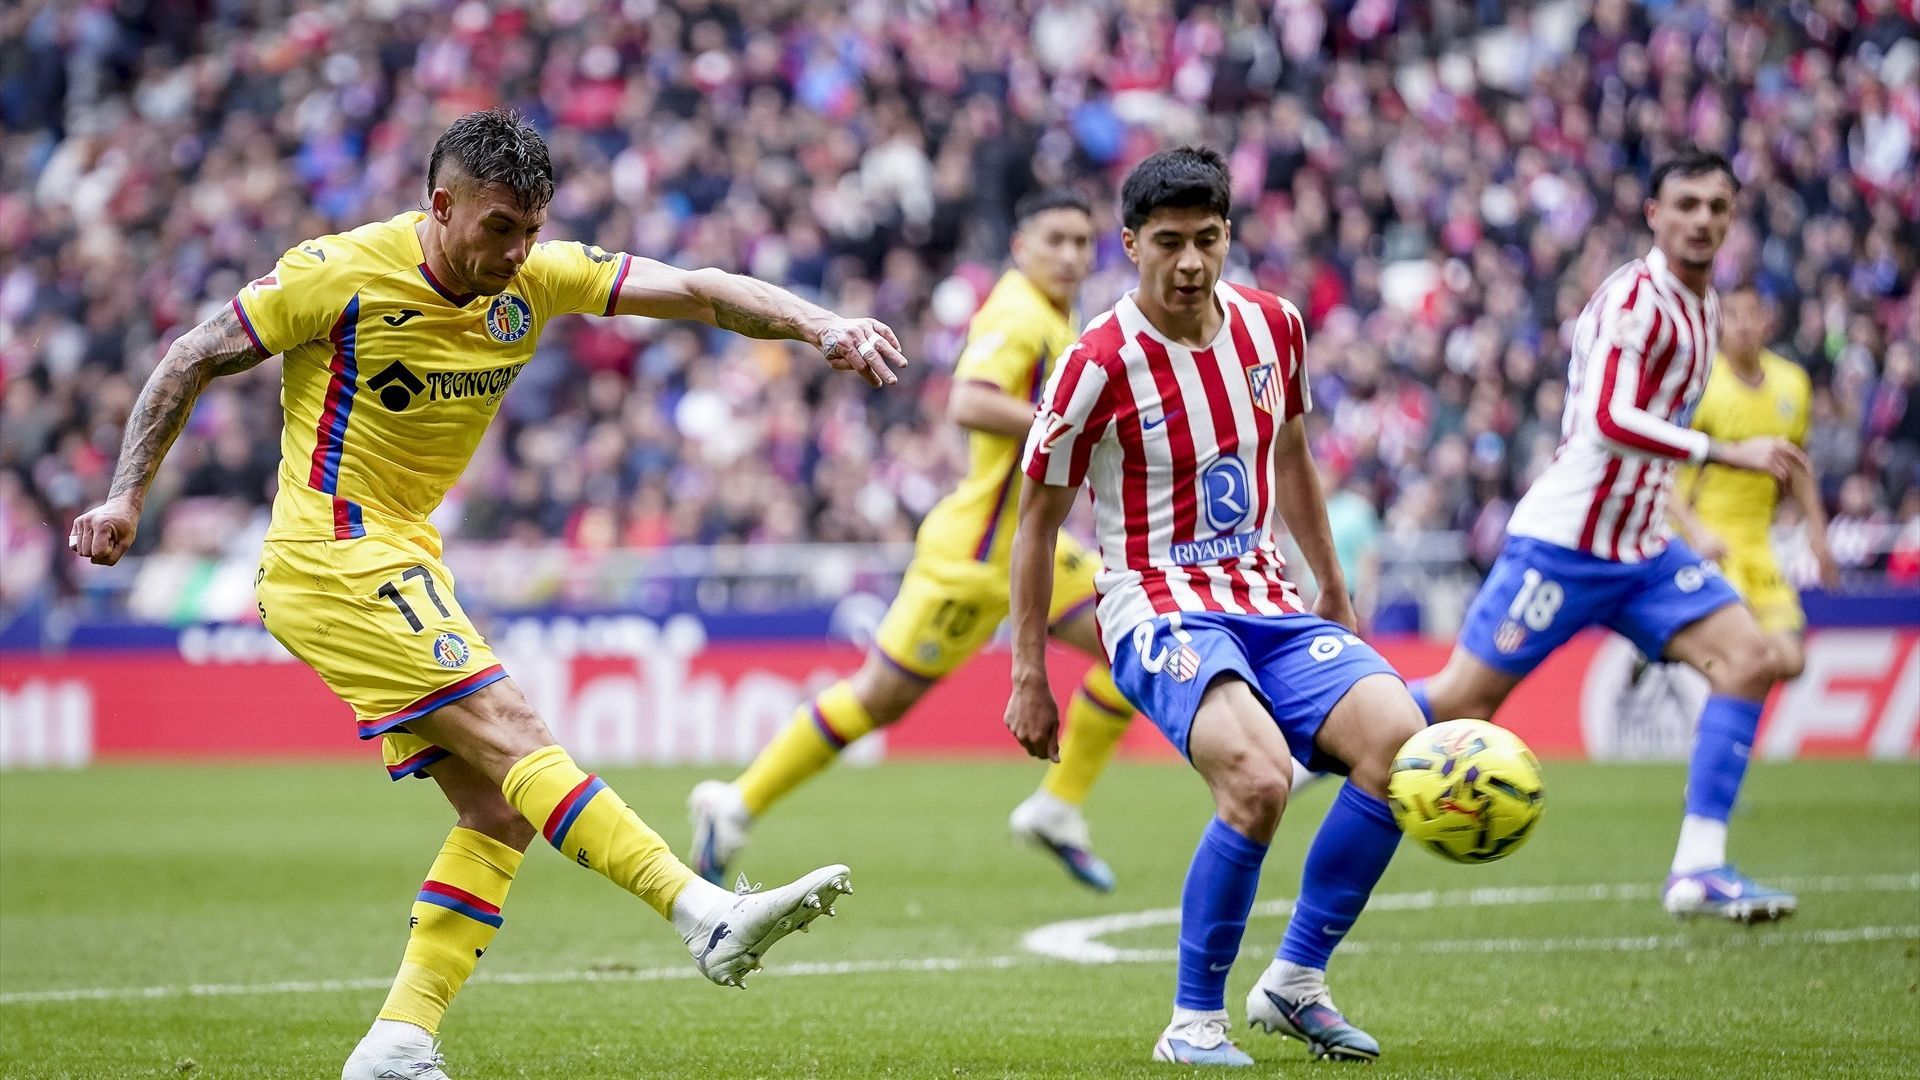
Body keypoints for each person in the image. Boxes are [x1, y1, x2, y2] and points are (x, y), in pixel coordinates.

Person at [67, 109, 907, 1080]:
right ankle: (703, 913)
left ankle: (399, 1039)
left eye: (532, 231)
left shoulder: (534, 279)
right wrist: (126, 497)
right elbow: (192, 354)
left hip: (400, 555)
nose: (517, 252)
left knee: (499, 812)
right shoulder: (338, 271)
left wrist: (820, 323)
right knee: (516, 733)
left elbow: (698, 290)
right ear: (441, 205)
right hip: (331, 551)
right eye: (499, 227)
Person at [1003, 147, 1424, 1065]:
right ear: (1131, 245)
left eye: (1207, 238)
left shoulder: (1275, 326)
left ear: (1229, 235)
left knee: (1402, 742)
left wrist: (1333, 588)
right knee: (1258, 780)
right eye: (1168, 243)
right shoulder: (1095, 363)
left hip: (1268, 597)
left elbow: (1292, 455)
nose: (1190, 261)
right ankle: (1193, 1023)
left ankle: (1297, 981)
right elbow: (1035, 523)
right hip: (1155, 606)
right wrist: (1029, 672)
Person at [688, 189, 1139, 892]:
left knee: (1134, 646)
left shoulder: (1056, 313)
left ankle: (1057, 807)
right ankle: (734, 805)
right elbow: (969, 400)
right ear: (1021, 247)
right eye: (1055, 240)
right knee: (879, 700)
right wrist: (1069, 424)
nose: (1071, 255)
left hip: (1036, 548)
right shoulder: (1019, 314)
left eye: (1083, 242)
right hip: (974, 558)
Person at [1408, 149, 1807, 923]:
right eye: (1685, 204)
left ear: (1732, 218)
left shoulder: (1705, 307)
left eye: (1717, 206)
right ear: (1654, 215)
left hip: (1643, 548)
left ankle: (1699, 868)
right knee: (1461, 701)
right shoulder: (1635, 301)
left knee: (1749, 659)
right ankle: (1312, 746)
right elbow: (1607, 419)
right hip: (1565, 544)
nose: (1702, 220)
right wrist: (1726, 454)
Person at [1668, 285, 1841, 677]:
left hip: (1759, 543)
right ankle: (1668, 652)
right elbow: (1661, 472)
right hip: (1708, 540)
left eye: (1751, 314)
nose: (1743, 324)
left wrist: (1818, 533)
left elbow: (1798, 465)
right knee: (1746, 652)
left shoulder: (1793, 383)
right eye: (1733, 315)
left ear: (1767, 321)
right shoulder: (1700, 386)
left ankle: (1674, 654)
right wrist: (1695, 532)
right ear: (1718, 323)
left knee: (1791, 661)